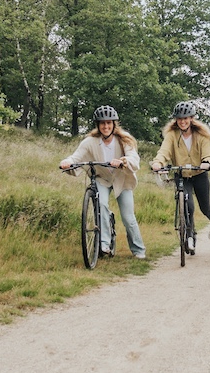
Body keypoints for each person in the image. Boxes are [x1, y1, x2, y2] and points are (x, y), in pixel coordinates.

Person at [60, 105, 146, 259]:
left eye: (109, 123)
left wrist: (122, 161)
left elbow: (134, 158)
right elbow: (75, 157)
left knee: (128, 217)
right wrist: (67, 162)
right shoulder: (90, 141)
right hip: (102, 178)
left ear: (114, 124)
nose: (106, 126)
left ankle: (138, 249)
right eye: (102, 123)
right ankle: (104, 244)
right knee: (102, 205)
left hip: (121, 178)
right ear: (98, 125)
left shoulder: (124, 139)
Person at [150, 101, 210, 252]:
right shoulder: (172, 135)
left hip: (199, 174)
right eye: (179, 119)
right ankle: (189, 235)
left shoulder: (201, 135)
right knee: (188, 205)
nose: (182, 121)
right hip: (181, 175)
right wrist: (158, 163)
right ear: (176, 120)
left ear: (191, 118)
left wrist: (206, 162)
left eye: (185, 118)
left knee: (205, 208)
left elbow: (208, 153)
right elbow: (164, 151)